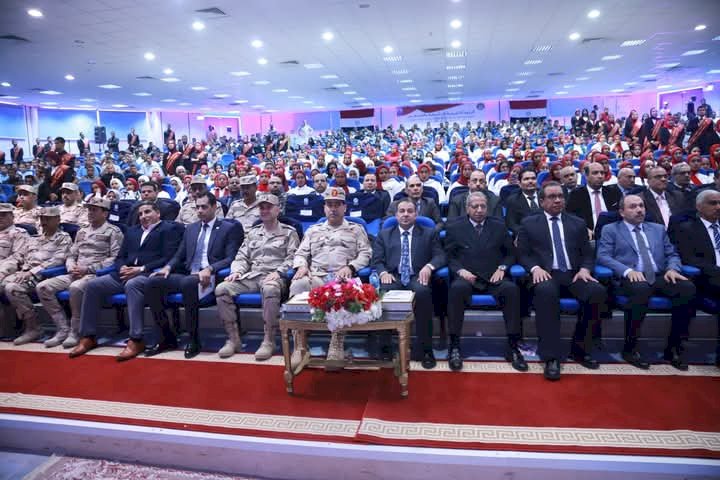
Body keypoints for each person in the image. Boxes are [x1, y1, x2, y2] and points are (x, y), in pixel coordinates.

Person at [69, 201, 182, 361]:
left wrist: (140, 269)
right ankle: (88, 336)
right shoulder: (132, 231)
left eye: (147, 212)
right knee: (93, 285)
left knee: (132, 285)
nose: (143, 216)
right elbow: (120, 256)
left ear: (158, 213)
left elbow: (168, 257)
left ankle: (136, 339)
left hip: (149, 274)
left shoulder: (169, 229)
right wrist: (122, 267)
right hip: (124, 273)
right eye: (140, 214)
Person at [516, 182, 607, 380]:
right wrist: (535, 268)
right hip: (546, 273)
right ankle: (551, 357)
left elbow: (588, 253)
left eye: (560, 196)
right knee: (546, 293)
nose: (557, 200)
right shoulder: (529, 223)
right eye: (552, 197)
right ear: (541, 201)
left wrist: (585, 269)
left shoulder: (577, 223)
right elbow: (522, 253)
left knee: (597, 292)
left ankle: (580, 349)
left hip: (574, 274)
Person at [597, 194, 695, 370]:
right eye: (633, 207)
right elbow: (603, 256)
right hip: (630, 277)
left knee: (687, 288)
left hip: (660, 275)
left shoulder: (658, 229)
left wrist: (672, 269)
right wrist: (627, 271)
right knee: (640, 289)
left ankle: (673, 348)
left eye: (641, 206)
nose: (639, 210)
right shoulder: (611, 229)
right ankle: (630, 348)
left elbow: (672, 254)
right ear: (622, 212)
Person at [147, 192, 244, 359]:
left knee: (188, 284)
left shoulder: (228, 228)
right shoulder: (191, 228)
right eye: (197, 207)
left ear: (214, 207)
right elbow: (180, 254)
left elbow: (231, 258)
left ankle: (193, 339)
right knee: (152, 283)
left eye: (204, 207)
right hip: (189, 274)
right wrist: (167, 267)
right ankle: (166, 337)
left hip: (212, 277)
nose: (199, 211)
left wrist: (210, 269)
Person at [289, 187, 372, 368]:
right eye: (329, 205)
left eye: (337, 205)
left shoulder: (356, 229)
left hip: (342, 277)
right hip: (317, 276)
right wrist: (302, 266)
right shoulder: (313, 230)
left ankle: (336, 342)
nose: (333, 209)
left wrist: (351, 267)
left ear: (345, 207)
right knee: (297, 285)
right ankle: (300, 344)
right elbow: (300, 253)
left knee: (342, 290)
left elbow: (366, 253)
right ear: (324, 208)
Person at [446, 191, 524, 371]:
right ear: (467, 208)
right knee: (456, 290)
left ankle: (513, 346)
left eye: (483, 206)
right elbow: (449, 256)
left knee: (511, 290)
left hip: (493, 276)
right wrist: (460, 270)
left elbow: (511, 254)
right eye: (475, 206)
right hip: (467, 277)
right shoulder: (455, 226)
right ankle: (455, 346)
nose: (479, 210)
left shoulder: (498, 225)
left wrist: (502, 268)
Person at [215, 194, 299, 360]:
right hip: (252, 275)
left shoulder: (289, 232)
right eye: (261, 207)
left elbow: (293, 258)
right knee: (222, 289)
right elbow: (242, 256)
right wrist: (237, 271)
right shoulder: (253, 233)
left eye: (268, 207)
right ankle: (233, 339)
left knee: (270, 289)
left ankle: (269, 340)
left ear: (278, 209)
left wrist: (279, 272)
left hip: (275, 277)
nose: (264, 210)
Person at [35, 197, 123, 348]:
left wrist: (88, 269)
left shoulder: (113, 231)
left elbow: (115, 259)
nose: (90, 213)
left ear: (105, 213)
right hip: (74, 272)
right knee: (43, 287)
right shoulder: (82, 231)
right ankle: (62, 328)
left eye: (94, 210)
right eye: (89, 209)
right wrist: (71, 266)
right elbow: (71, 254)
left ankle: (75, 331)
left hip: (95, 274)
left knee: (75, 288)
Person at [371, 199, 446, 369]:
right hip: (394, 276)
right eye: (402, 211)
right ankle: (385, 347)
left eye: (410, 211)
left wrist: (429, 267)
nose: (406, 214)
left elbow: (440, 256)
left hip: (417, 275)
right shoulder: (385, 234)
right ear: (396, 215)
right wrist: (383, 273)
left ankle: (425, 349)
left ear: (416, 214)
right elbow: (377, 260)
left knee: (423, 293)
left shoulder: (429, 233)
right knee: (383, 294)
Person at [4, 207, 73, 345]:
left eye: (48, 218)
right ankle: (33, 327)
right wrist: (23, 270)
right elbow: (25, 257)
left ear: (58, 220)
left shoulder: (63, 238)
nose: (43, 221)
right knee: (9, 287)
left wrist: (32, 272)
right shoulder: (35, 238)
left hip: (48, 275)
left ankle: (63, 329)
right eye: (42, 218)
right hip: (29, 274)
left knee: (36, 288)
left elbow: (58, 260)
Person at [566, 162, 621, 235]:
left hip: (614, 234)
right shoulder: (576, 194)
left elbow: (621, 213)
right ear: (586, 176)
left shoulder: (613, 192)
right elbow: (570, 216)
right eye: (595, 173)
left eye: (602, 173)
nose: (600, 176)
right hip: (588, 235)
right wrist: (583, 228)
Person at [504, 169, 542, 237]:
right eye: (526, 179)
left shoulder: (545, 196)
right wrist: (526, 234)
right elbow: (511, 224)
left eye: (533, 178)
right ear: (519, 183)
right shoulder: (513, 200)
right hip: (524, 236)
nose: (530, 181)